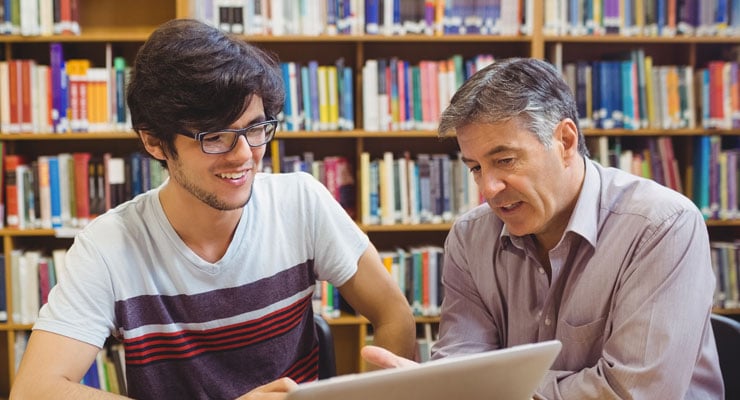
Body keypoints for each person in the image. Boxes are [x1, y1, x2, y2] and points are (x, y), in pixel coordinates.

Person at [11, 19, 416, 400]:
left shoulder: (300, 202)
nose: (244, 155)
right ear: (154, 142)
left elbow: (394, 315)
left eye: (255, 129)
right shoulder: (109, 245)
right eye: (216, 136)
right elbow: (34, 390)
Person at [362, 57, 724, 399]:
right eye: (475, 168)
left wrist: (492, 390)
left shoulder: (661, 227)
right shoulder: (470, 237)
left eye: (504, 161)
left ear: (565, 141)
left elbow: (634, 393)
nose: (488, 189)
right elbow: (462, 372)